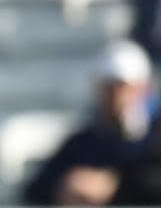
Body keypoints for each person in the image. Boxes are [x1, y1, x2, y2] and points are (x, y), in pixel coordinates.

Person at [23, 40, 154, 206]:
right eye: (109, 88)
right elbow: (34, 191)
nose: (116, 96)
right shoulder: (81, 144)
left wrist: (114, 186)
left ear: (142, 88)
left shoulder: (156, 140)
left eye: (123, 87)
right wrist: (68, 185)